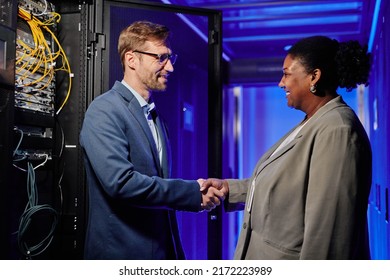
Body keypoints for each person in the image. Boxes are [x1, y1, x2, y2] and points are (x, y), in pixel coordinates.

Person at [202, 36, 372, 260]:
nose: (281, 83)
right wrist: (229, 189)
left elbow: (328, 236)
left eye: (286, 74)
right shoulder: (314, 121)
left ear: (314, 76)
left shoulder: (337, 130)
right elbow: (289, 189)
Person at [79, 21, 226, 260]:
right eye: (161, 58)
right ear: (131, 59)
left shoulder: (155, 116)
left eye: (170, 58)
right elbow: (122, 184)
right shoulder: (104, 110)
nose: (170, 67)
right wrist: (192, 192)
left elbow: (157, 188)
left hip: (161, 252)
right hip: (121, 256)